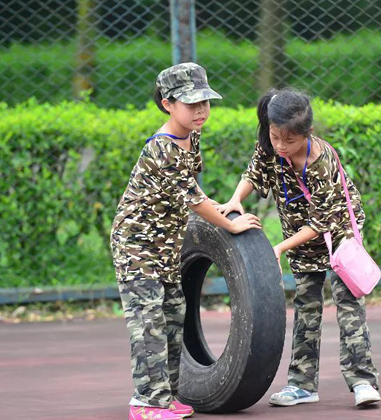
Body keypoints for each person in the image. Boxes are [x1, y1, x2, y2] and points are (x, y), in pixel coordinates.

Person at [110, 63, 262, 420]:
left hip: (164, 246)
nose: (200, 111)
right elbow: (194, 200)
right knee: (148, 322)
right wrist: (231, 225)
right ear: (167, 104)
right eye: (190, 104)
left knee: (174, 314)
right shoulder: (163, 148)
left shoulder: (191, 138)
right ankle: (146, 402)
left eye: (205, 103)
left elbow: (192, 191)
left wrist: (219, 210)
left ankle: (168, 396)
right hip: (136, 247)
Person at [216, 87, 381, 407]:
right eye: (275, 136)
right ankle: (302, 384)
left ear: (307, 133)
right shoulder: (271, 146)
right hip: (300, 239)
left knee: (348, 305)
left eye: (288, 141)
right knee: (306, 305)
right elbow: (254, 172)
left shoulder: (322, 162)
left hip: (338, 236)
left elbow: (322, 221)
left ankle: (363, 380)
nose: (280, 145)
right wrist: (236, 198)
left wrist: (278, 248)